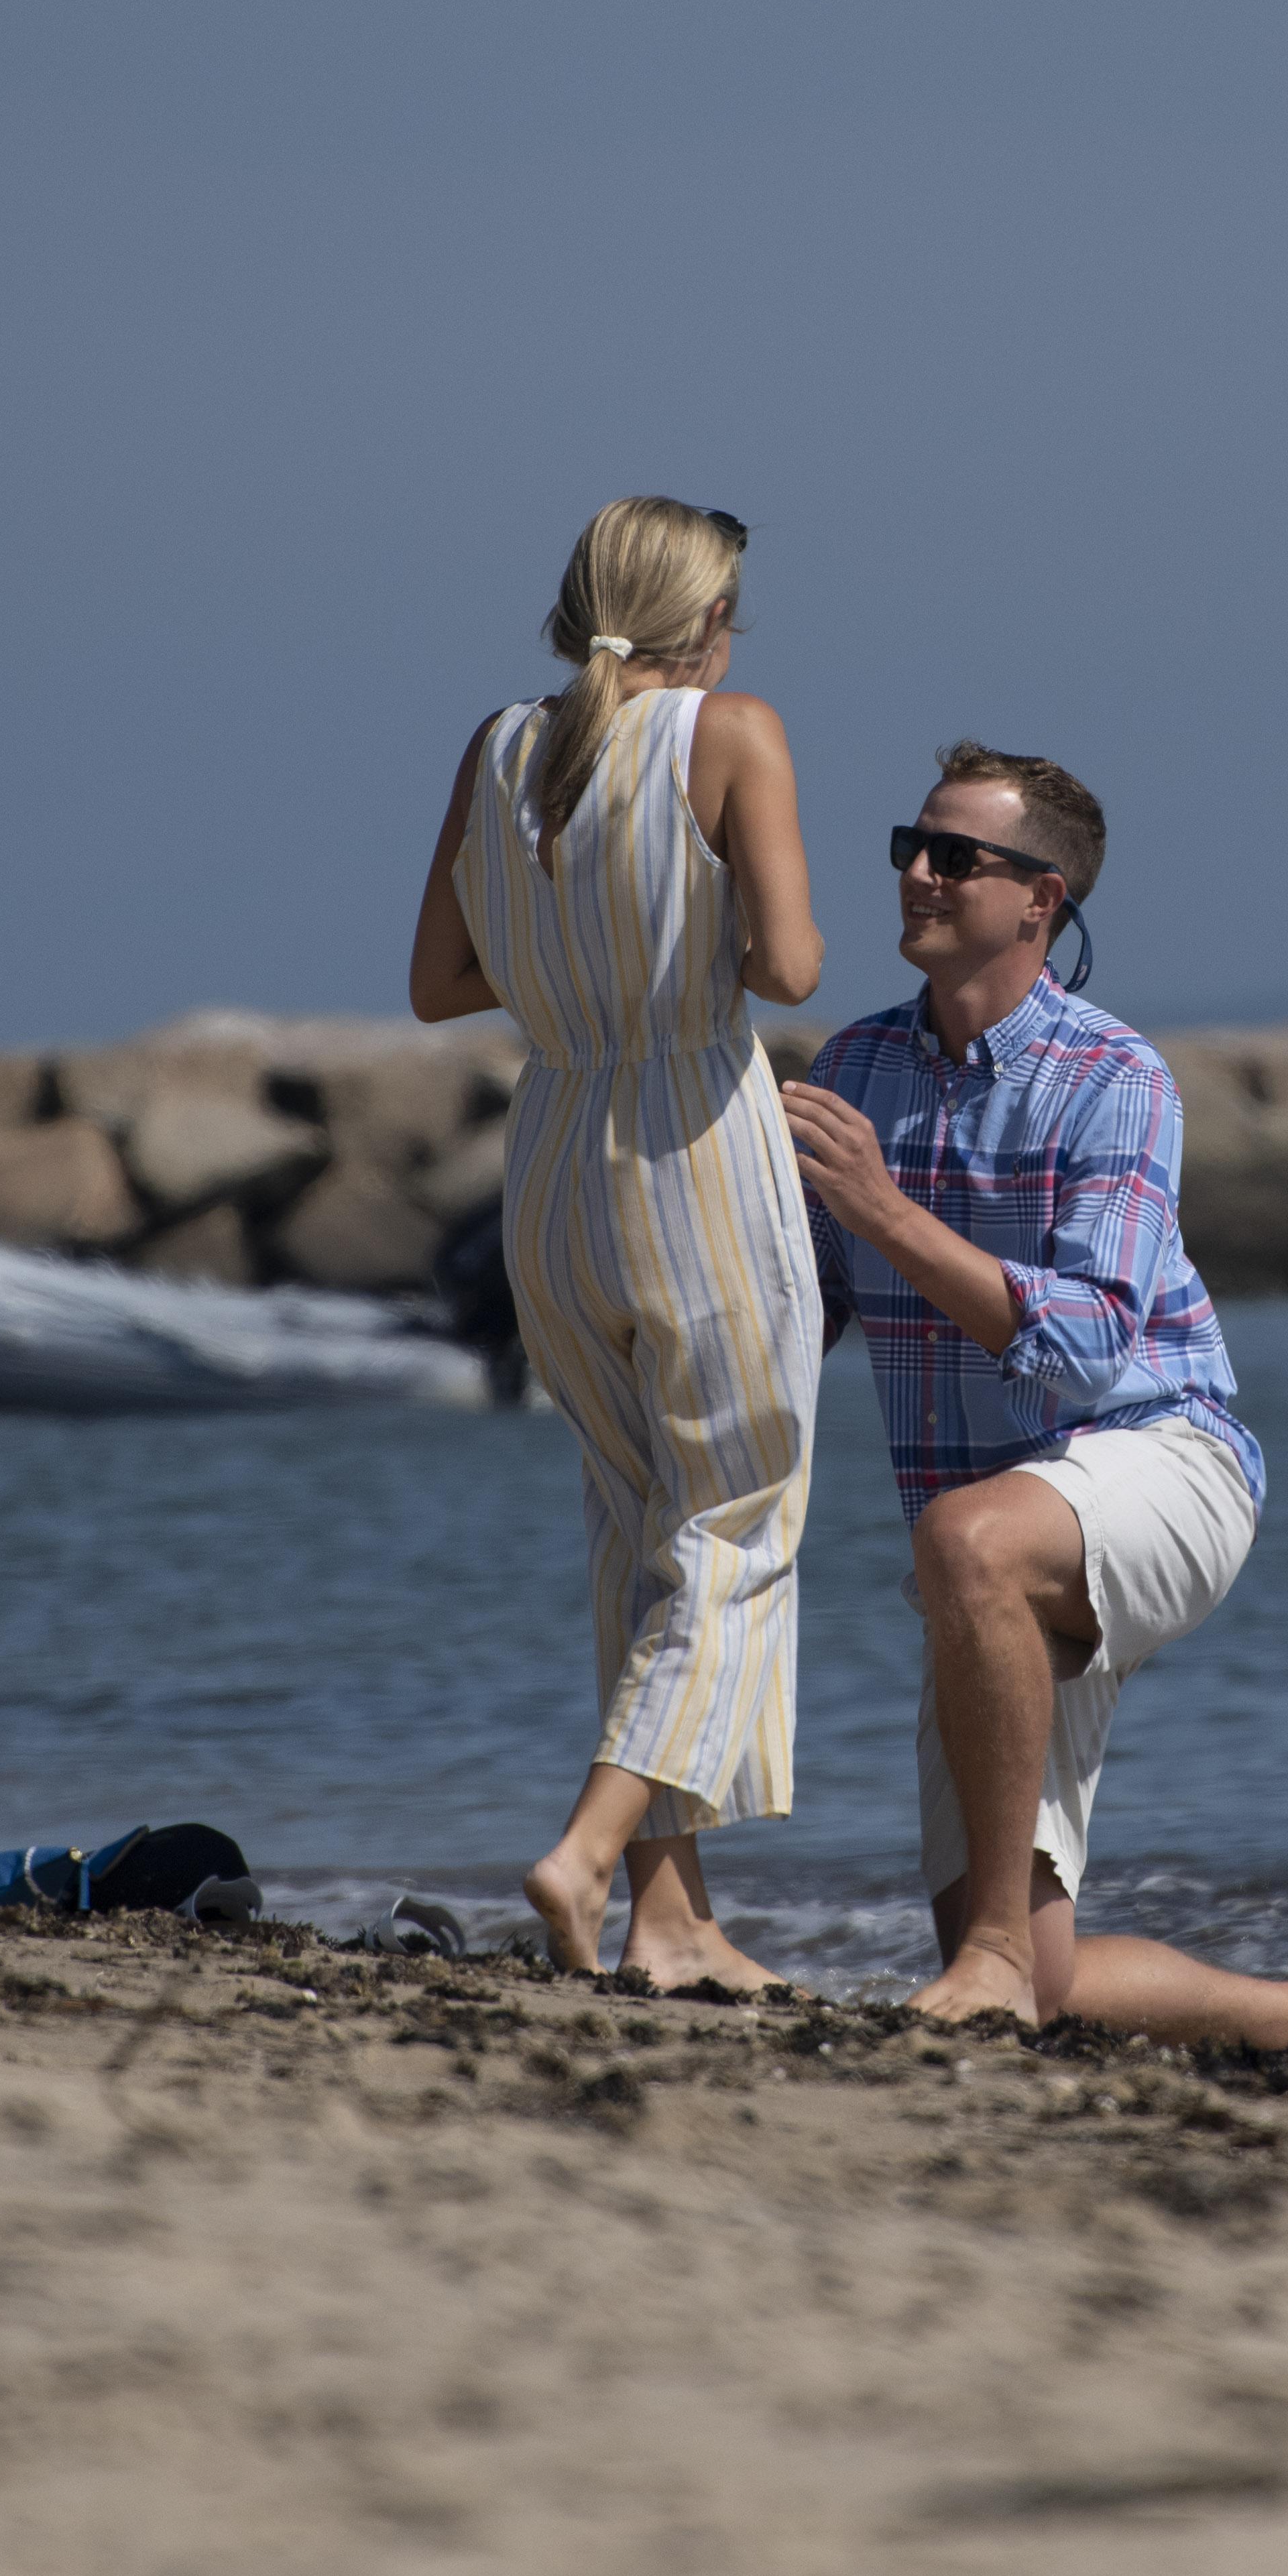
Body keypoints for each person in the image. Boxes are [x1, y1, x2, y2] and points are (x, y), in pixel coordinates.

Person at [782, 742, 1288, 2071]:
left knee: (973, 1544)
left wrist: (884, 1209)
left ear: (1041, 899)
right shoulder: (859, 1067)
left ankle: (990, 1955)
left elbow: (1093, 1342)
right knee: (1039, 1984)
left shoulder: (1118, 1079)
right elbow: (809, 1307)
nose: (917, 874)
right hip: (981, 1543)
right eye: (910, 847)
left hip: (1161, 1456)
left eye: (955, 857)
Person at [410, 497, 825, 1992]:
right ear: (705, 620)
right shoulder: (732, 734)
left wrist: (572, 950)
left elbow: (437, 984)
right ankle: (587, 1854)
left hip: (554, 1156)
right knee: (735, 1533)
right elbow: (787, 965)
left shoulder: (500, 745)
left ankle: (672, 1919)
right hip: (693, 1146)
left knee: (636, 1532)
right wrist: (679, 942)